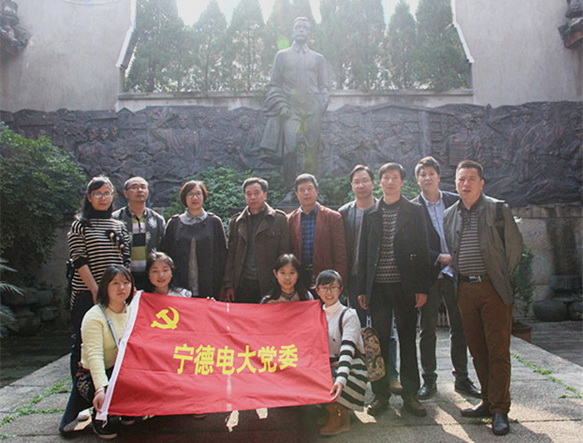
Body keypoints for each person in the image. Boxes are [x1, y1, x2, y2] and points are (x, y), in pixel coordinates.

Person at [444, 160, 523, 436]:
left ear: (481, 183)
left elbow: (514, 249)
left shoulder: (498, 209)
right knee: (477, 348)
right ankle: (488, 401)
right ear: (455, 183)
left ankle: (500, 409)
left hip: (493, 289)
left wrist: (499, 277)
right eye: (461, 179)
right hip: (465, 290)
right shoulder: (450, 215)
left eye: (471, 179)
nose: (465, 184)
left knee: (497, 349)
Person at [357, 163, 431, 417]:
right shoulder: (371, 213)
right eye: (386, 178)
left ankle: (411, 394)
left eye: (395, 178)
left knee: (408, 340)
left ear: (402, 181)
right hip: (378, 288)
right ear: (380, 182)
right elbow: (364, 253)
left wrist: (421, 287)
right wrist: (363, 288)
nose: (390, 182)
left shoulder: (415, 211)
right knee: (379, 343)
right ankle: (381, 394)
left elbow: (423, 250)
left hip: (405, 286)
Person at [60, 176, 130, 433]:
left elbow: (125, 260)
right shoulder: (80, 224)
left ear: (113, 196)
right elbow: (78, 259)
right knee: (83, 346)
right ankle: (82, 400)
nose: (103, 197)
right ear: (89, 197)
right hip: (86, 293)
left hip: (116, 295)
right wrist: (95, 290)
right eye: (97, 193)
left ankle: (115, 399)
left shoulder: (119, 225)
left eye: (107, 193)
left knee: (117, 343)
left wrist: (123, 290)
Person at [412, 157, 480, 400]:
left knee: (459, 328)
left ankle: (462, 379)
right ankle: (429, 381)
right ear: (417, 179)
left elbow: (468, 231)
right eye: (422, 174)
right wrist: (438, 257)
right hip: (429, 276)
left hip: (456, 274)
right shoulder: (412, 208)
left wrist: (457, 256)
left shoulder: (454, 200)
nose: (427, 178)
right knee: (427, 330)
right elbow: (412, 245)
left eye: (431, 173)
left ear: (439, 177)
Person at [338, 165, 402, 395]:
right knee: (356, 328)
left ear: (373, 183)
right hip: (355, 278)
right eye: (357, 181)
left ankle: (391, 374)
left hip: (380, 277)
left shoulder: (382, 209)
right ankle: (362, 373)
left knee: (386, 328)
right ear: (351, 185)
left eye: (365, 180)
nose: (361, 185)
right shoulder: (344, 213)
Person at [60, 265, 135, 439]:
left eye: (126, 282)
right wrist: (100, 388)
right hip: (91, 375)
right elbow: (95, 356)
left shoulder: (133, 310)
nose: (121, 287)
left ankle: (125, 410)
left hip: (121, 371)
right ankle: (100, 418)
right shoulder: (94, 316)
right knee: (108, 392)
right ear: (105, 287)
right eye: (115, 283)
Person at [260, 17, 329, 192]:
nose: (301, 30)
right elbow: (274, 84)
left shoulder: (318, 58)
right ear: (293, 31)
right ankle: (291, 190)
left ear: (309, 32)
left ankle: (310, 190)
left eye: (305, 27)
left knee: (312, 151)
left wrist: (322, 103)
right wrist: (282, 105)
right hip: (291, 108)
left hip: (313, 107)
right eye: (298, 27)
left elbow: (324, 85)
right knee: (290, 150)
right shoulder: (282, 55)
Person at [315, 270, 367, 436]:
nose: (329, 292)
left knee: (326, 380)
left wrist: (341, 379)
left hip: (352, 369)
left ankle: (339, 416)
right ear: (317, 290)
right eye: (324, 288)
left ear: (341, 289)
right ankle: (332, 410)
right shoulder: (316, 314)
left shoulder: (349, 314)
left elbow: (347, 350)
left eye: (333, 287)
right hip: (328, 367)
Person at [223, 177, 290, 303]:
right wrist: (228, 285)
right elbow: (231, 255)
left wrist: (284, 283)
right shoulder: (237, 222)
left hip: (269, 283)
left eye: (256, 193)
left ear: (265, 195)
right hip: (242, 283)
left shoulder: (279, 220)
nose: (253, 197)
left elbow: (284, 255)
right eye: (248, 194)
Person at [161, 181, 227, 299]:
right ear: (184, 197)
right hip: (179, 286)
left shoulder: (214, 222)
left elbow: (223, 255)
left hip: (210, 285)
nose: (194, 198)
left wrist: (224, 285)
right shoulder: (174, 223)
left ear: (204, 196)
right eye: (190, 194)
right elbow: (166, 255)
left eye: (198, 193)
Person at [288, 173, 347, 288]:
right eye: (302, 190)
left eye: (310, 188)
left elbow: (340, 253)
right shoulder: (290, 219)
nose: (306, 193)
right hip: (298, 277)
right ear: (297, 194)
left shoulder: (333, 217)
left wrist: (339, 282)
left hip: (326, 277)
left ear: (317, 192)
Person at [113, 176, 165, 289]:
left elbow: (163, 248)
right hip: (123, 276)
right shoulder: (115, 219)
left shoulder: (158, 220)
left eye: (143, 187)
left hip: (151, 276)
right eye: (134, 187)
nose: (139, 190)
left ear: (148, 191)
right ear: (126, 193)